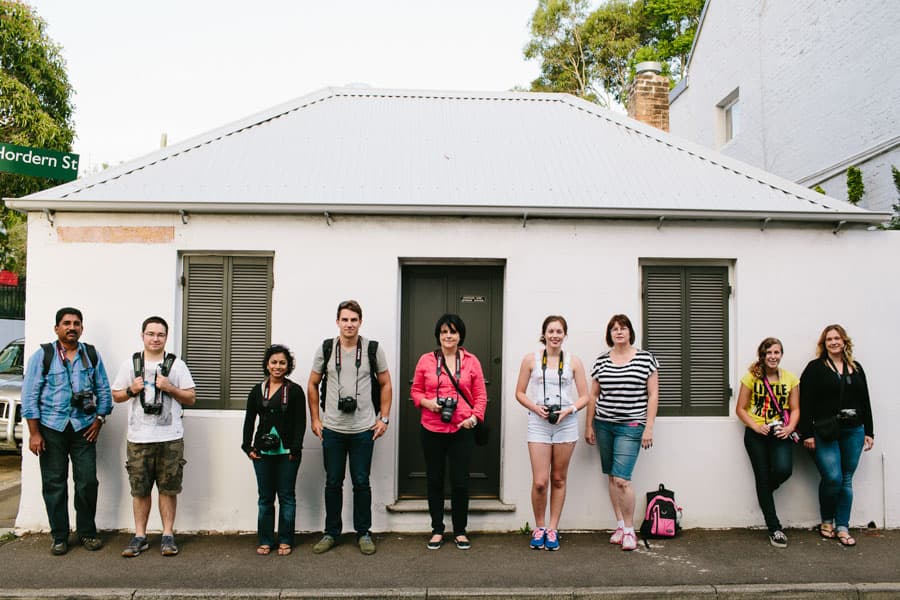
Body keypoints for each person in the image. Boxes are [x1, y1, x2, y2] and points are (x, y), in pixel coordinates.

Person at [21, 307, 113, 555]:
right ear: (57, 328)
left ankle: (87, 533)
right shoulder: (43, 355)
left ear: (82, 328)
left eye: (77, 323)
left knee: (87, 482)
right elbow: (29, 397)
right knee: (54, 483)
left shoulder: (91, 355)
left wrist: (99, 419)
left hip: (84, 428)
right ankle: (59, 536)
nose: (72, 327)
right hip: (51, 428)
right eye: (66, 323)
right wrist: (34, 433)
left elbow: (104, 390)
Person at [307, 300, 393, 555]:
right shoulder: (326, 348)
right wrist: (315, 419)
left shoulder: (372, 349)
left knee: (361, 482)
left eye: (354, 320)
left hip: (363, 429)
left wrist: (384, 418)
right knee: (333, 482)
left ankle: (364, 532)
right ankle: (331, 532)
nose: (349, 324)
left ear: (360, 322)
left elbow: (386, 383)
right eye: (345, 319)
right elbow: (312, 384)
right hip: (332, 429)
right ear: (337, 322)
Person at [112, 316, 196, 557]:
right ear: (142, 335)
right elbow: (116, 395)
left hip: (170, 437)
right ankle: (140, 535)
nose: (155, 338)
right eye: (151, 334)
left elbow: (191, 397)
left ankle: (168, 534)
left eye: (160, 334)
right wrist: (132, 390)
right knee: (140, 490)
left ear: (166, 338)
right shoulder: (130, 364)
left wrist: (169, 388)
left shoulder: (176, 365)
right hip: (138, 438)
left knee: (168, 489)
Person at [410, 313, 487, 551]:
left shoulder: (472, 361)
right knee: (434, 479)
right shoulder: (426, 360)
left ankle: (460, 530)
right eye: (444, 332)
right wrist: (428, 403)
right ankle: (437, 529)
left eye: (452, 331)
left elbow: (481, 395)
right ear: (438, 335)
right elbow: (415, 390)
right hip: (432, 428)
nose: (448, 336)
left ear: (460, 335)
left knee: (460, 481)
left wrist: (474, 418)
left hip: (462, 429)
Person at [514, 315, 589, 551]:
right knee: (540, 482)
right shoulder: (531, 359)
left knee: (558, 478)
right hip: (539, 422)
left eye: (559, 331)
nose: (555, 335)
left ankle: (553, 529)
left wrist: (569, 410)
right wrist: (536, 408)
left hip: (566, 423)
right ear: (544, 333)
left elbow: (586, 396)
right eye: (551, 331)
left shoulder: (574, 362)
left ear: (565, 335)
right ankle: (539, 527)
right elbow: (520, 392)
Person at [585, 314, 658, 552]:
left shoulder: (646, 359)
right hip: (604, 424)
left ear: (630, 332)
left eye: (623, 328)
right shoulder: (601, 361)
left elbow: (653, 395)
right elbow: (593, 396)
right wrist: (589, 425)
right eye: (614, 329)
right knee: (611, 476)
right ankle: (619, 525)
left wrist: (649, 427)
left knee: (622, 479)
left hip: (631, 425)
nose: (619, 332)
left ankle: (629, 530)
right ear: (610, 334)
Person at [799, 324, 874, 547]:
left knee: (847, 478)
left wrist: (869, 432)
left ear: (844, 341)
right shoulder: (815, 368)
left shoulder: (856, 367)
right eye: (829, 339)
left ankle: (842, 526)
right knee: (833, 477)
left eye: (837, 338)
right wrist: (807, 434)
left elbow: (865, 401)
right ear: (824, 344)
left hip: (854, 430)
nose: (833, 342)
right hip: (826, 430)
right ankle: (826, 520)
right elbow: (805, 402)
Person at [242, 344, 306, 556]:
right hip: (262, 453)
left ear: (288, 366)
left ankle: (286, 540)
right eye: (274, 362)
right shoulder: (257, 390)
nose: (277, 366)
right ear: (267, 365)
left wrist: (295, 449)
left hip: (287, 453)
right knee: (265, 498)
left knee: (287, 496)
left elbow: (300, 423)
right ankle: (266, 540)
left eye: (282, 363)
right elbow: (249, 420)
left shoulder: (295, 391)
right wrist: (247, 446)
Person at [735, 337, 799, 548]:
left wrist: (790, 428)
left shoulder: (790, 379)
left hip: (780, 433)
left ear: (781, 354)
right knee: (761, 477)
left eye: (776, 352)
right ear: (762, 356)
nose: (773, 356)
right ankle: (775, 528)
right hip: (757, 435)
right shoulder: (751, 378)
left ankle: (764, 491)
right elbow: (740, 409)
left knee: (784, 470)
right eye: (769, 353)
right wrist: (755, 426)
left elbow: (795, 408)